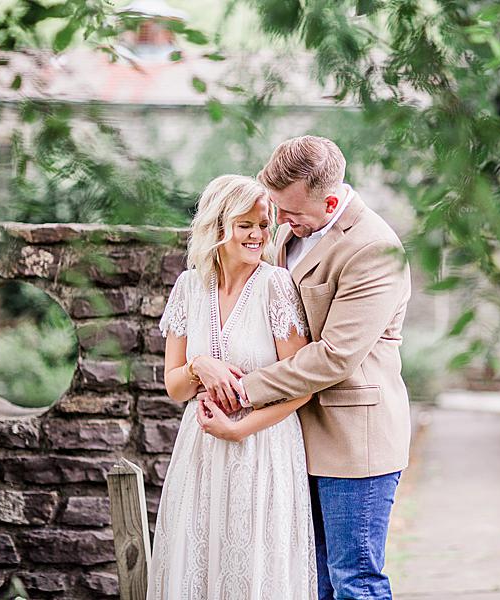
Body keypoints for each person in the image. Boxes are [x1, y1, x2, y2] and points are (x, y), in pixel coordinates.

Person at [199, 135, 412, 600]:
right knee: (305, 578)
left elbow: (335, 354)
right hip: (290, 437)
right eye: (276, 209)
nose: (278, 222)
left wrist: (244, 389)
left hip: (353, 440)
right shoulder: (287, 232)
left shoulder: (375, 250)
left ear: (331, 200)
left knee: (354, 581)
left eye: (290, 212)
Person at [147, 174, 317, 600]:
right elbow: (174, 386)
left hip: (263, 447)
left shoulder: (275, 285)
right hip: (200, 450)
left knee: (256, 571)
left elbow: (303, 387)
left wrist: (240, 428)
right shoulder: (189, 286)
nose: (259, 234)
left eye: (265, 224)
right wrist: (201, 366)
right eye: (247, 224)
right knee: (198, 567)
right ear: (219, 225)